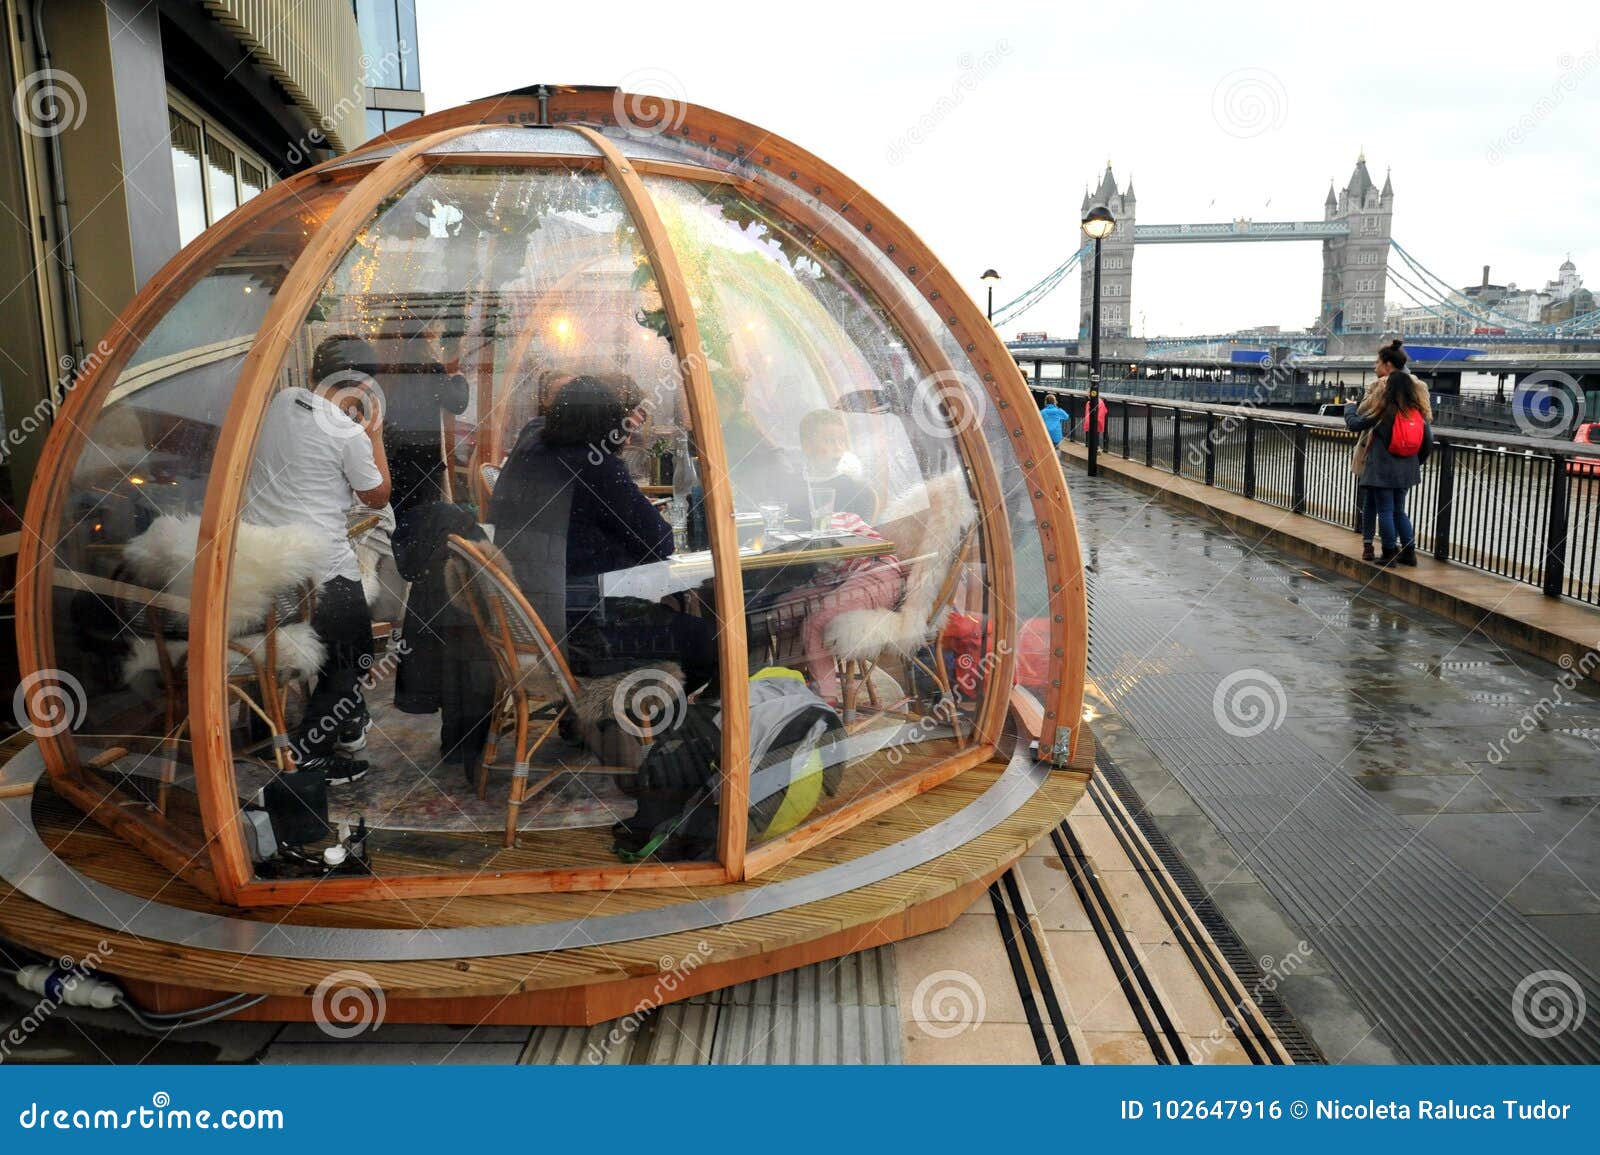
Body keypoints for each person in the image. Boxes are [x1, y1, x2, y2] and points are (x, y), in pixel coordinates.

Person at [492, 375, 719, 692]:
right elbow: (660, 541)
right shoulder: (595, 465)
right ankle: (666, 726)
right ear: (606, 423)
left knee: (670, 606)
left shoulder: (531, 441)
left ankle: (609, 730)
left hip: (523, 625)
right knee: (709, 638)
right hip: (580, 634)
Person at [245, 337, 391, 783]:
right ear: (362, 385)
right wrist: (374, 433)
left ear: (313, 373)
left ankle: (343, 723)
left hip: (261, 570)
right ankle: (310, 753)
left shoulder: (280, 402)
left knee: (334, 644)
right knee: (356, 655)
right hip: (318, 572)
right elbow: (377, 494)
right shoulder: (349, 433)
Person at [1345, 339, 1433, 567]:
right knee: (1399, 511)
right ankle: (1409, 552)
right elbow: (1428, 440)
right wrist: (1416, 461)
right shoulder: (1416, 411)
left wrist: (1349, 408)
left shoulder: (1384, 410)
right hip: (1407, 467)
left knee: (1384, 510)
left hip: (1383, 468)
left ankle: (1388, 553)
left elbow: (1355, 425)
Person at [798, 409, 876, 520]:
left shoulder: (855, 490)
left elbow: (859, 532)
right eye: (829, 441)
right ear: (807, 446)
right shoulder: (793, 483)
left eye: (842, 441)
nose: (838, 448)